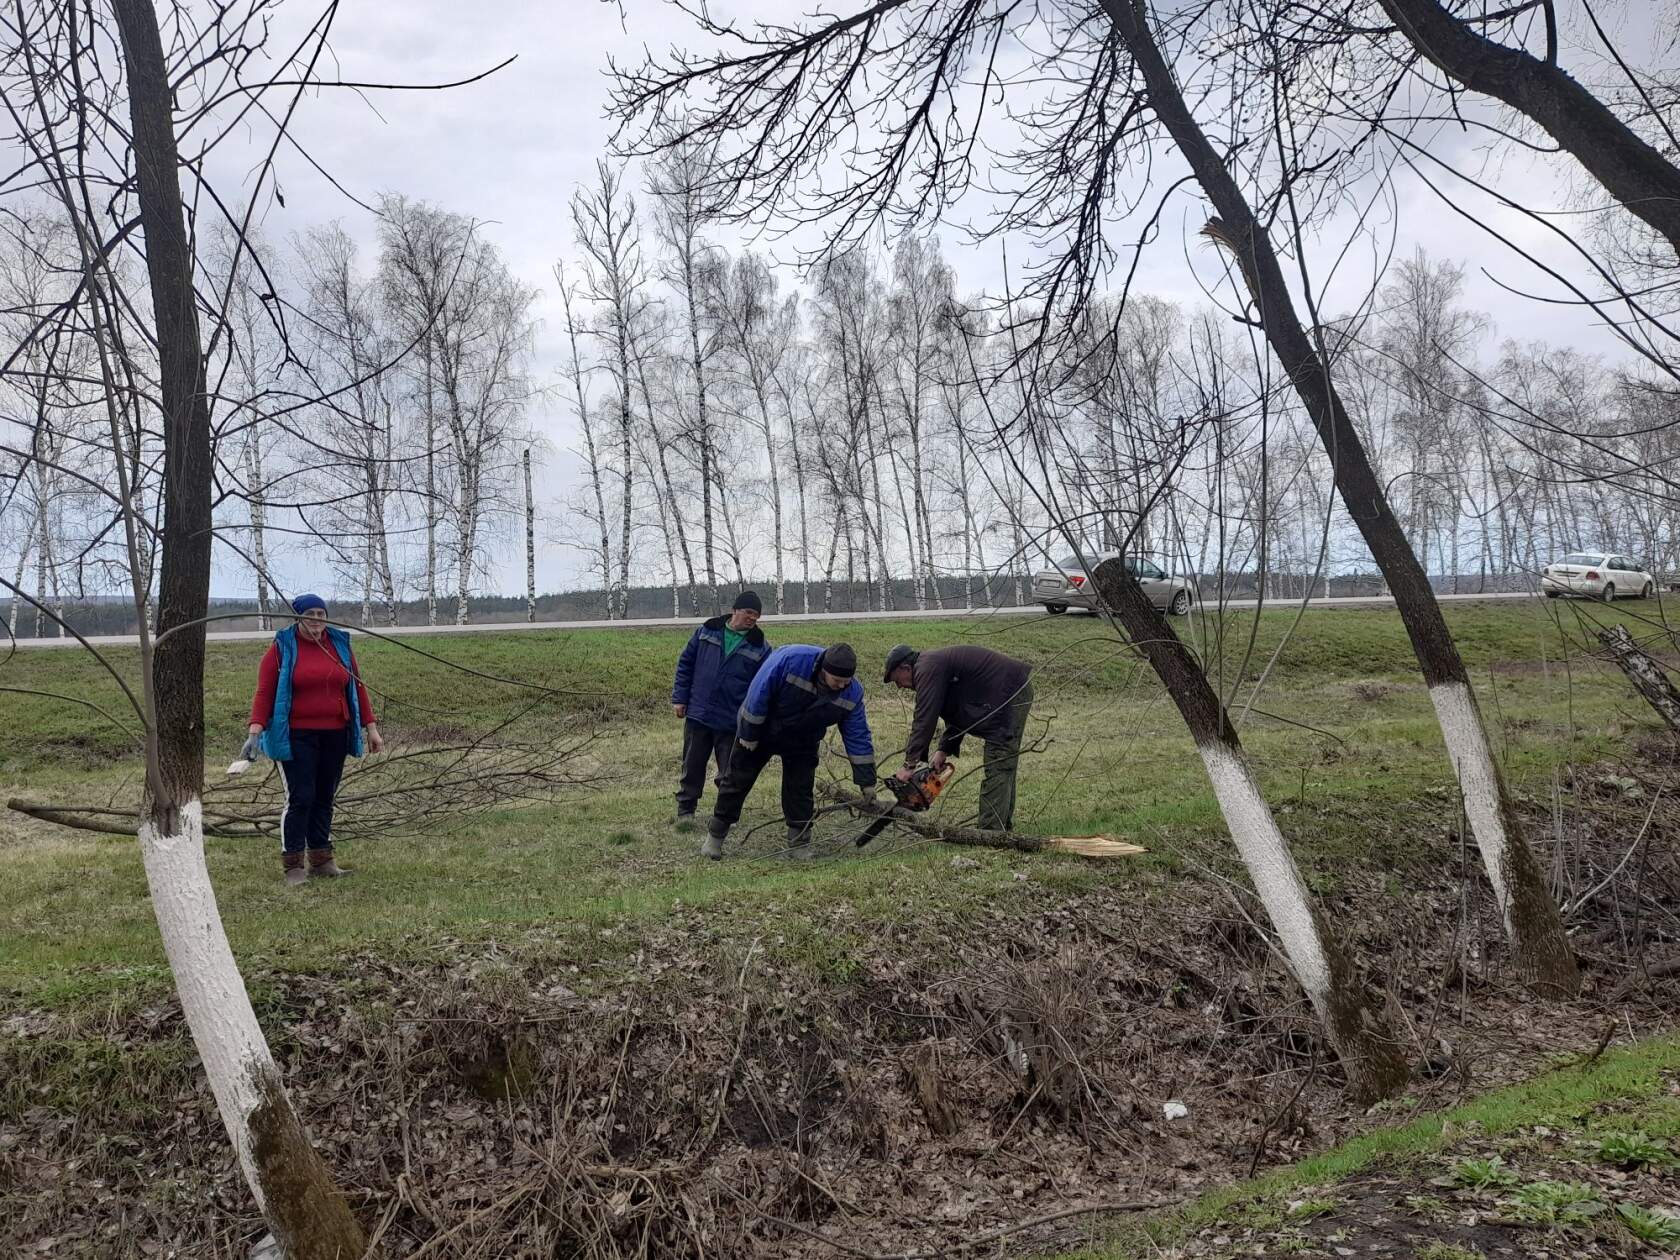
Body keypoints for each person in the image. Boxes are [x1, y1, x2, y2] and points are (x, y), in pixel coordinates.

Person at [245, 594, 384, 886]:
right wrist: (255, 731)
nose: (317, 619)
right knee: (300, 797)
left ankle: (322, 859)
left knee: (324, 796)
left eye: (321, 613)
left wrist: (370, 728)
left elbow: (357, 688)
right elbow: (264, 693)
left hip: (334, 732)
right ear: (297, 617)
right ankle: (293, 864)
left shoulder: (339, 646)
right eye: (310, 613)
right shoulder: (282, 649)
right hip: (295, 735)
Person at [703, 642, 876, 861]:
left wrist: (866, 780)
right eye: (837, 681)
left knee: (800, 790)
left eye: (846, 681)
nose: (842, 686)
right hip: (763, 729)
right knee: (737, 781)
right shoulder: (791, 661)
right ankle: (715, 838)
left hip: (804, 739)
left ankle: (799, 844)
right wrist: (748, 734)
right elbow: (758, 694)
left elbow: (858, 734)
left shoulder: (853, 694)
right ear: (824, 670)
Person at [883, 643, 1033, 831]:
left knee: (999, 762)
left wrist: (909, 765)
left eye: (899, 681)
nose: (901, 687)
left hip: (1009, 693)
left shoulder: (927, 668)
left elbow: (924, 718)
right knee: (1003, 765)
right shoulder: (933, 667)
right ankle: (1001, 826)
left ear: (905, 668)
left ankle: (990, 833)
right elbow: (959, 711)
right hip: (1004, 693)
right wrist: (943, 749)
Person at [671, 591, 771, 827]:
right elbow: (686, 664)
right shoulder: (707, 631)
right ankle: (686, 810)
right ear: (735, 610)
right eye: (748, 613)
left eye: (756, 616)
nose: (752, 619)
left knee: (729, 771)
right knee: (692, 765)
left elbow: (761, 687)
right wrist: (680, 698)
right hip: (699, 712)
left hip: (730, 719)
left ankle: (724, 814)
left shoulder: (760, 647)